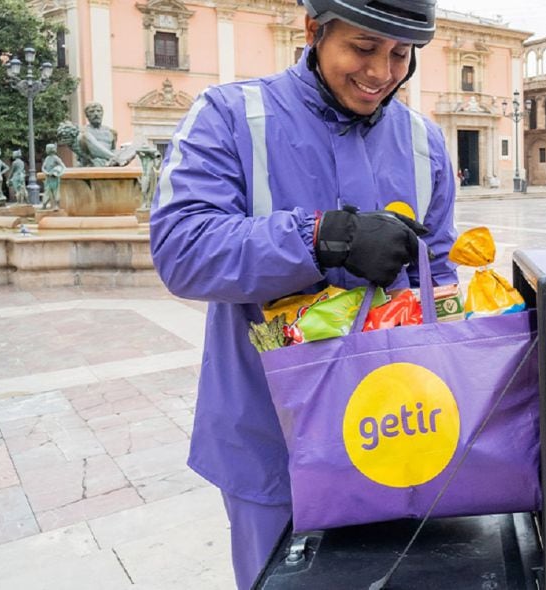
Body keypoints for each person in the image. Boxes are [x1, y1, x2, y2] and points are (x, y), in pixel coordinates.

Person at [148, 0, 457, 587]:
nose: (381, 73)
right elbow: (182, 250)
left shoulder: (424, 141)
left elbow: (437, 274)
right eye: (363, 48)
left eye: (400, 54)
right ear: (314, 31)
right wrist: (321, 238)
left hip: (399, 434)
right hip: (269, 436)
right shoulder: (230, 115)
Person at [40, 143, 66, 209]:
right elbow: (43, 167)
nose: (46, 150)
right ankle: (44, 205)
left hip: (54, 178)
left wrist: (58, 173)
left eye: (47, 149)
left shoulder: (56, 158)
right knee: (47, 191)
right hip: (48, 178)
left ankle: (56, 205)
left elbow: (63, 167)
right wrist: (46, 173)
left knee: (56, 192)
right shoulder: (47, 158)